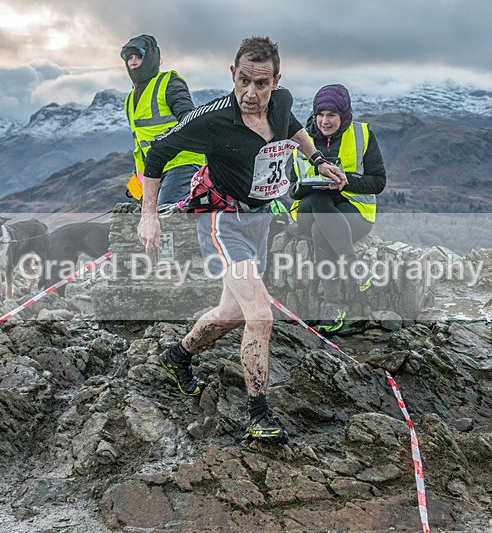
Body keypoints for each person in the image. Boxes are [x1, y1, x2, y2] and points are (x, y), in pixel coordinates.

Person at [137, 36, 345, 443]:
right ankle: (258, 414)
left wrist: (318, 159)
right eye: (243, 81)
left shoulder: (282, 102)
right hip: (221, 221)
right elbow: (157, 154)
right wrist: (148, 215)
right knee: (261, 315)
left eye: (261, 84)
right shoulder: (211, 119)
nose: (250, 93)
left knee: (230, 313)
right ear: (233, 74)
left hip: (259, 219)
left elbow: (294, 128)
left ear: (276, 81)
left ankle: (177, 356)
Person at [289, 84, 387, 333]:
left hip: (353, 213)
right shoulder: (302, 139)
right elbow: (292, 188)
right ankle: (354, 264)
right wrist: (311, 185)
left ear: (343, 114)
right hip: (308, 212)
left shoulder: (363, 134)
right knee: (320, 200)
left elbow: (378, 182)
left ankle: (332, 307)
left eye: (331, 115)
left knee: (323, 231)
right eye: (320, 114)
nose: (325, 121)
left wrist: (344, 180)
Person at [121, 34, 205, 205]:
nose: (133, 62)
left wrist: (171, 135)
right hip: (154, 171)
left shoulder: (168, 82)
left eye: (138, 56)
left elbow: (189, 119)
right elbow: (140, 143)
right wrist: (138, 176)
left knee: (166, 218)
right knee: (146, 223)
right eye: (129, 58)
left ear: (151, 58)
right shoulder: (129, 100)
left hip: (182, 163)